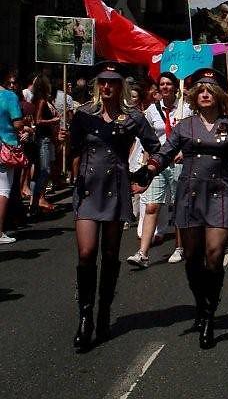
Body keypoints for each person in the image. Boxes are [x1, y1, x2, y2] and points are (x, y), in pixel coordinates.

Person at [132, 68, 228, 350]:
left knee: (215, 254)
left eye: (211, 90)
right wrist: (148, 170)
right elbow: (165, 153)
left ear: (219, 95)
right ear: (195, 97)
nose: (206, 94)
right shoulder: (184, 126)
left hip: (221, 194)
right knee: (193, 258)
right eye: (201, 91)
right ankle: (200, 302)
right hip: (190, 195)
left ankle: (209, 315)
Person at [69, 63, 160, 351]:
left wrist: (146, 171)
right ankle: (85, 318)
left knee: (109, 254)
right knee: (86, 253)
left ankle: (104, 310)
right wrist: (64, 142)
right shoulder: (83, 114)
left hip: (115, 187)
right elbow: (73, 147)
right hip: (87, 187)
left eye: (112, 82)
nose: (106, 87)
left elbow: (155, 146)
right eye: (102, 82)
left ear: (120, 85)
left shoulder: (133, 116)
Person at [127, 72, 192, 268]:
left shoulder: (187, 109)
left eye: (168, 84)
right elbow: (146, 138)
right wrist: (145, 165)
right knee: (151, 206)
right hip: (157, 164)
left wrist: (184, 151)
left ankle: (179, 247)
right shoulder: (151, 111)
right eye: (161, 84)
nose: (164, 87)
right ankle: (143, 253)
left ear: (175, 87)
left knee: (179, 206)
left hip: (179, 163)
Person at [0, 66, 31, 244]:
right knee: (3, 190)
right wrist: (26, 126)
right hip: (5, 147)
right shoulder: (9, 97)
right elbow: (18, 124)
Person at [29, 75, 60, 216]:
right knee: (44, 170)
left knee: (40, 171)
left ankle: (34, 203)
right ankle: (36, 200)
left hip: (44, 138)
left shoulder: (39, 99)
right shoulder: (41, 100)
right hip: (43, 138)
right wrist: (53, 119)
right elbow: (38, 120)